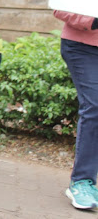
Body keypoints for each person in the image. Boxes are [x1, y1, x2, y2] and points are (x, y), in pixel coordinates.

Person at [54, 11, 98, 210]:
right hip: (83, 47)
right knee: (95, 105)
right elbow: (59, 6)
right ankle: (81, 181)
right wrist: (93, 20)